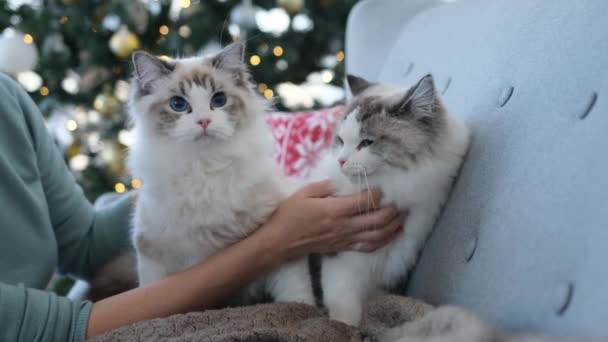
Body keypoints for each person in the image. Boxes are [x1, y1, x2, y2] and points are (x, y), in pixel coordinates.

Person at [0, 72, 406, 342]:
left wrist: (192, 184)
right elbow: (54, 330)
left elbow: (84, 244)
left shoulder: (8, 98)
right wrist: (275, 240)